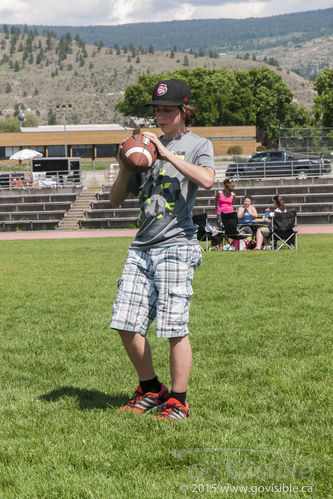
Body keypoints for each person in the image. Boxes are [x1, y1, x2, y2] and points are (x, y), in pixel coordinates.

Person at [109, 78, 215, 421]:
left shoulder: (198, 144)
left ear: (184, 111)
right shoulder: (146, 148)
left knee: (173, 327)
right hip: (141, 246)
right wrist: (125, 166)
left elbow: (208, 180)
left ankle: (179, 401)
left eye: (167, 110)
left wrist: (168, 153)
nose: (161, 116)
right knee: (125, 322)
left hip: (176, 246)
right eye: (157, 111)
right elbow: (115, 200)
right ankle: (151, 388)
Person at [215, 178, 236, 250]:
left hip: (230, 213)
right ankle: (220, 246)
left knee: (230, 228)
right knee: (220, 229)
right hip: (221, 213)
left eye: (231, 191)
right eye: (229, 190)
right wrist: (216, 208)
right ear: (225, 188)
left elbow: (232, 202)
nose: (230, 192)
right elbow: (215, 200)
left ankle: (228, 245)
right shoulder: (220, 193)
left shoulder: (233, 194)